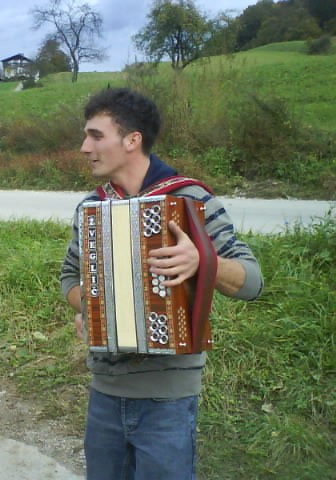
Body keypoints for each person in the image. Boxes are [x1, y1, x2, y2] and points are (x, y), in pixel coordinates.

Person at [60, 87, 264, 480]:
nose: (85, 147)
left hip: (168, 396)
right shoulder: (92, 207)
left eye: (96, 136)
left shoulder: (191, 198)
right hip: (104, 390)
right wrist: (88, 305)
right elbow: (69, 276)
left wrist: (204, 261)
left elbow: (252, 281)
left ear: (132, 140)